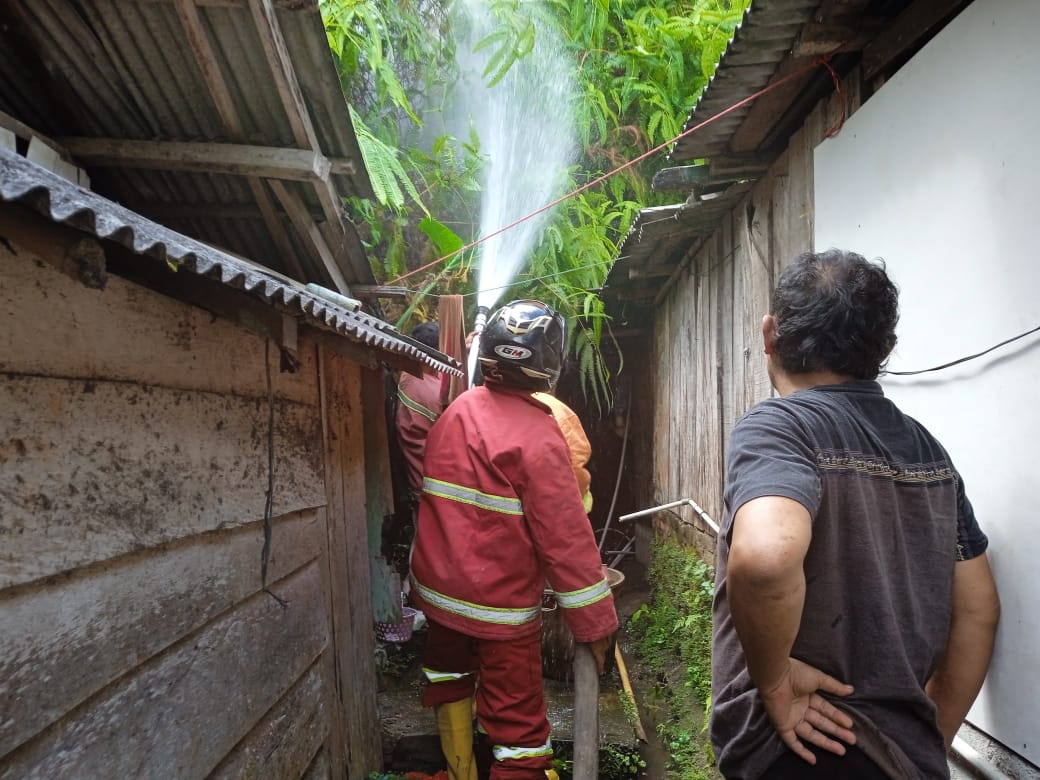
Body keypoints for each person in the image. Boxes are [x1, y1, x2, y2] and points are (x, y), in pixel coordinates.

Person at [710, 249, 1000, 779]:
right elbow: (978, 609)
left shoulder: (779, 428)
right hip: (900, 761)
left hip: (795, 748)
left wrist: (774, 684)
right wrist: (931, 736)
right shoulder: (929, 453)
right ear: (884, 349)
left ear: (769, 334)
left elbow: (766, 557)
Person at [409, 299, 618, 780]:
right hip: (498, 608)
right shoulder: (542, 437)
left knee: (449, 678)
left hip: (440, 597)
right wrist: (596, 624)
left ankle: (460, 772)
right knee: (519, 731)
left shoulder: (457, 410)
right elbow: (566, 543)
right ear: (549, 365)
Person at [396, 321, 447, 500]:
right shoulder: (424, 390)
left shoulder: (414, 372)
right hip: (429, 484)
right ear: (436, 353)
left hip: (430, 478)